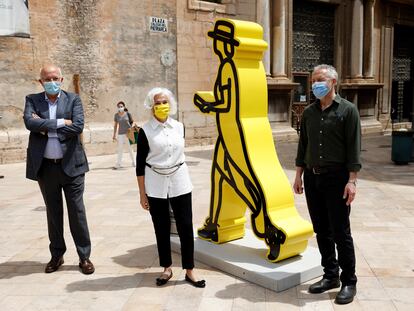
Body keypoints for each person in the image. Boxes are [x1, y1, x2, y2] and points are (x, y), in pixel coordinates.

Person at [293, 64, 361, 304]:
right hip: (313, 178)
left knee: (340, 231)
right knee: (321, 229)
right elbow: (304, 145)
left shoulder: (348, 111)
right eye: (313, 81)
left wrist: (352, 181)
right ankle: (330, 275)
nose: (315, 85)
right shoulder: (309, 112)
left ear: (333, 82)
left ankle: (349, 281)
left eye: (319, 80)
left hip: (337, 178)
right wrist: (299, 174)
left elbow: (354, 149)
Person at [23, 64, 94, 275]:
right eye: (47, 78)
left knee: (77, 213)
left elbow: (78, 126)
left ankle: (84, 257)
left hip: (72, 166)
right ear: (40, 81)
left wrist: (45, 127)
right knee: (53, 214)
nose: (51, 81)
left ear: (61, 80)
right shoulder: (32, 100)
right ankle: (57, 255)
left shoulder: (73, 99)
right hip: (46, 168)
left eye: (55, 78)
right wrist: (63, 122)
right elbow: (29, 123)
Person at [136, 87, 205, 288]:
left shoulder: (179, 127)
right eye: (157, 103)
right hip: (155, 182)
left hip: (179, 179)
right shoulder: (145, 132)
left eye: (164, 102)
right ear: (151, 106)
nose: (161, 106)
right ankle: (166, 267)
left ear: (171, 104)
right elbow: (140, 166)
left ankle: (190, 270)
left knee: (185, 225)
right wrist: (142, 194)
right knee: (161, 226)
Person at [112, 101, 136, 169]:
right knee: (120, 149)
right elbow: (115, 125)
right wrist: (114, 135)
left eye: (121, 106)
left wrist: (131, 129)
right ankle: (118, 163)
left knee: (130, 148)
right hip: (120, 134)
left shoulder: (128, 114)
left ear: (124, 107)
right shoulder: (116, 115)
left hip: (128, 134)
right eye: (119, 106)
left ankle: (134, 162)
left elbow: (132, 122)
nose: (120, 107)